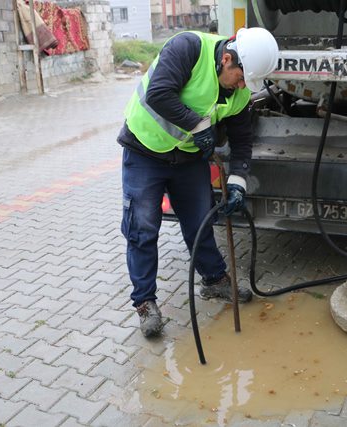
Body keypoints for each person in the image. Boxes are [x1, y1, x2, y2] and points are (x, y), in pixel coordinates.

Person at [117, 27, 279, 338]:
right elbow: (159, 93)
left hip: (188, 160)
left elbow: (242, 141)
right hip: (145, 151)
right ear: (227, 59)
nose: (244, 86)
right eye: (241, 77)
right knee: (143, 228)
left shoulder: (240, 91)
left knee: (202, 222)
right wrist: (199, 125)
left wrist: (237, 183)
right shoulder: (188, 48)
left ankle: (214, 281)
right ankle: (145, 303)